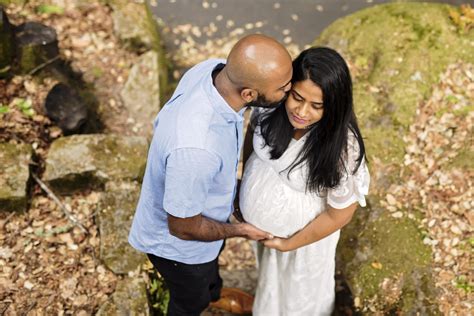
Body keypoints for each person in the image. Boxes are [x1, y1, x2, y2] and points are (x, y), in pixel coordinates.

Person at [128, 34, 293, 316]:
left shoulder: (212, 70)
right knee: (189, 301)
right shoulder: (197, 149)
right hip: (179, 249)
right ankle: (202, 301)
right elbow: (183, 227)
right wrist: (240, 231)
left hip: (202, 212)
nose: (289, 93)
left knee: (209, 275)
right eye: (283, 89)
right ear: (249, 95)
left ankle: (214, 294)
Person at [239, 47, 370, 315]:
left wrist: (290, 243)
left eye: (316, 105)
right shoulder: (270, 109)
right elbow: (251, 145)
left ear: (334, 106)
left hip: (306, 244)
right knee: (271, 283)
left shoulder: (344, 149)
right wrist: (243, 188)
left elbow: (339, 214)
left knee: (301, 296)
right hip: (265, 235)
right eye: (297, 97)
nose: (301, 111)